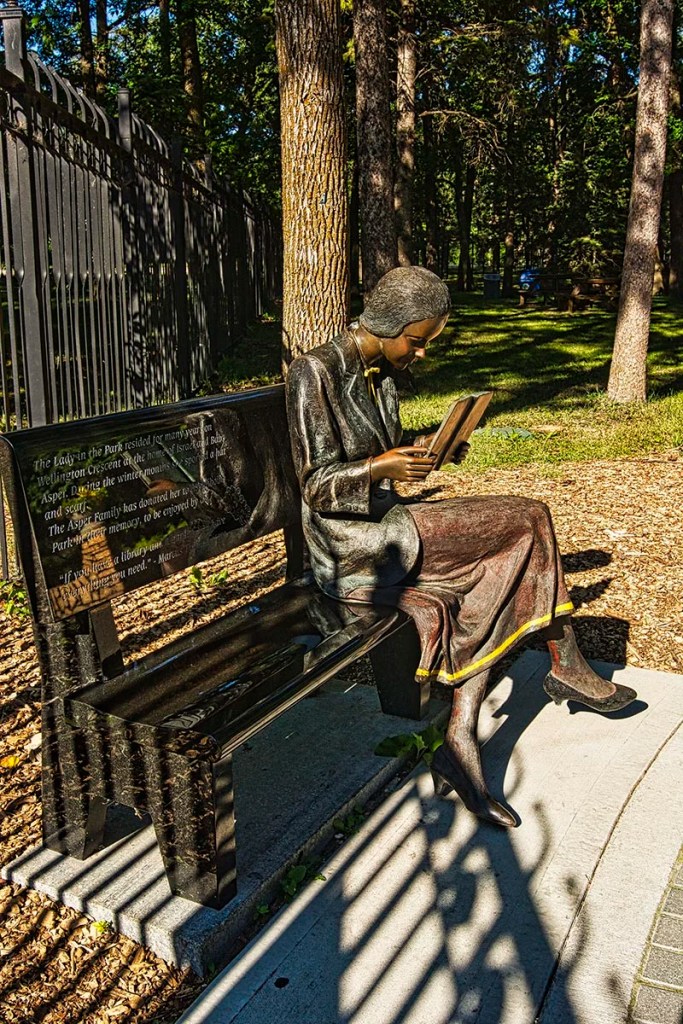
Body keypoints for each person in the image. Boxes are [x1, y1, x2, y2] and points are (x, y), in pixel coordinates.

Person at [286, 266, 636, 828]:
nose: (421, 354)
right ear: (388, 324)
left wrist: (424, 450)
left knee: (505, 557)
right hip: (354, 546)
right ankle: (563, 661)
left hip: (390, 522)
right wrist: (381, 466)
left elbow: (385, 456)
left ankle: (461, 736)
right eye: (418, 341)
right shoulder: (314, 372)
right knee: (527, 519)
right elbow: (315, 485)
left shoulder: (382, 371)